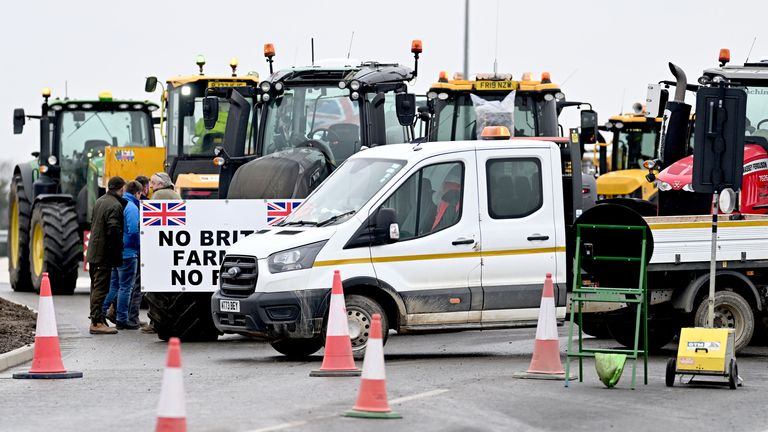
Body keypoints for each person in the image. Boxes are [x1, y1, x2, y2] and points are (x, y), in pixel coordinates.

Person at [142, 173, 181, 334]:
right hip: (174, 243)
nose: (150, 186)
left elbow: (150, 221)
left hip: (158, 245)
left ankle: (154, 322)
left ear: (160, 184)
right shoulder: (176, 195)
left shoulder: (158, 196)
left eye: (152, 183)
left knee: (156, 286)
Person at [87, 176, 126, 335]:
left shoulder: (100, 200)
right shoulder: (115, 205)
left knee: (95, 287)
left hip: (94, 251)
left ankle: (98, 318)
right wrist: (117, 254)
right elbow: (114, 232)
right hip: (104, 253)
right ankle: (96, 322)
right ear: (121, 188)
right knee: (101, 288)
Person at [101, 181, 141, 329]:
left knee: (114, 286)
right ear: (137, 193)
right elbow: (133, 230)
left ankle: (100, 313)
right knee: (126, 287)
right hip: (128, 253)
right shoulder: (131, 207)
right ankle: (122, 319)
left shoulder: (117, 204)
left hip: (115, 251)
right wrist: (139, 247)